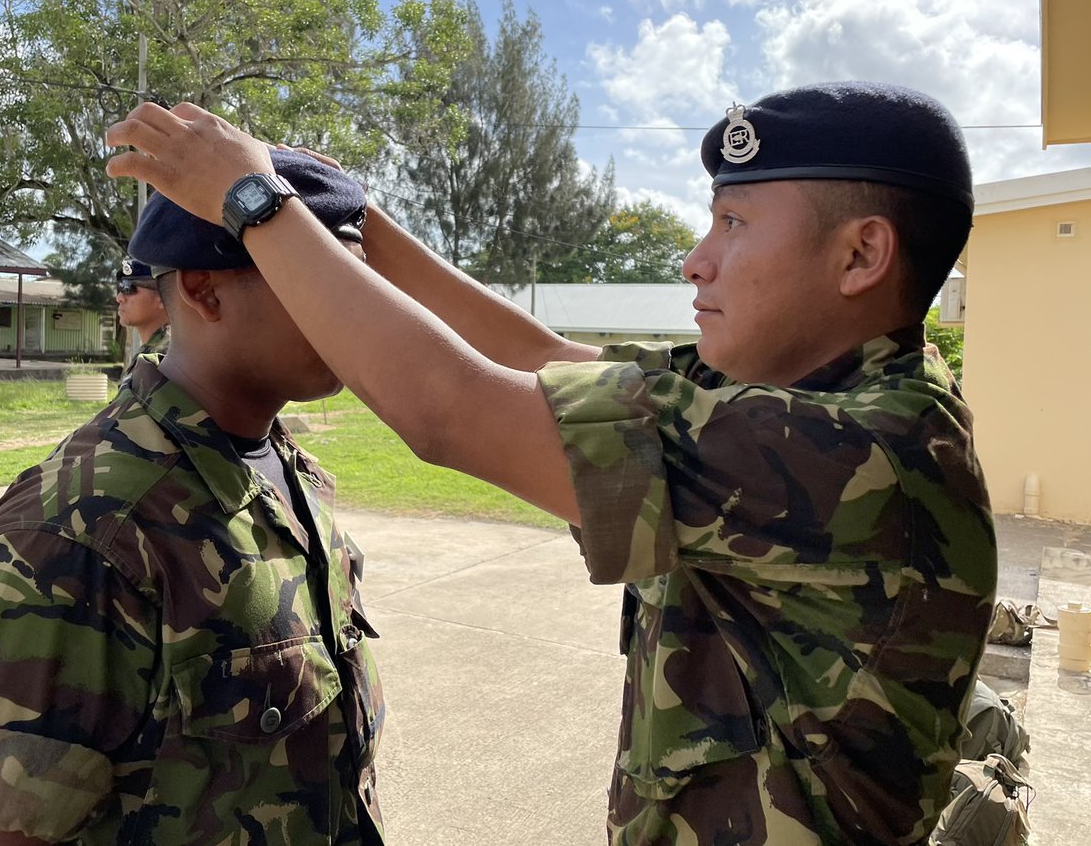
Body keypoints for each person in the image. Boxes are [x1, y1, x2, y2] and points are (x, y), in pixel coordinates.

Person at [104, 80, 996, 845]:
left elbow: (451, 410)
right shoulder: (809, 402)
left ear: (860, 255)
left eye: (733, 222)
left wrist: (254, 203)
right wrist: (348, 213)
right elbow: (546, 359)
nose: (696, 261)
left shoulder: (864, 447)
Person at [0, 149, 385, 845]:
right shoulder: (80, 533)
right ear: (205, 290)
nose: (360, 309)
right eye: (323, 275)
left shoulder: (289, 474)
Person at [114, 257, 170, 380]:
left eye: (127, 288)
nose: (119, 298)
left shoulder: (164, 359)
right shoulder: (152, 353)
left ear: (162, 296)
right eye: (120, 287)